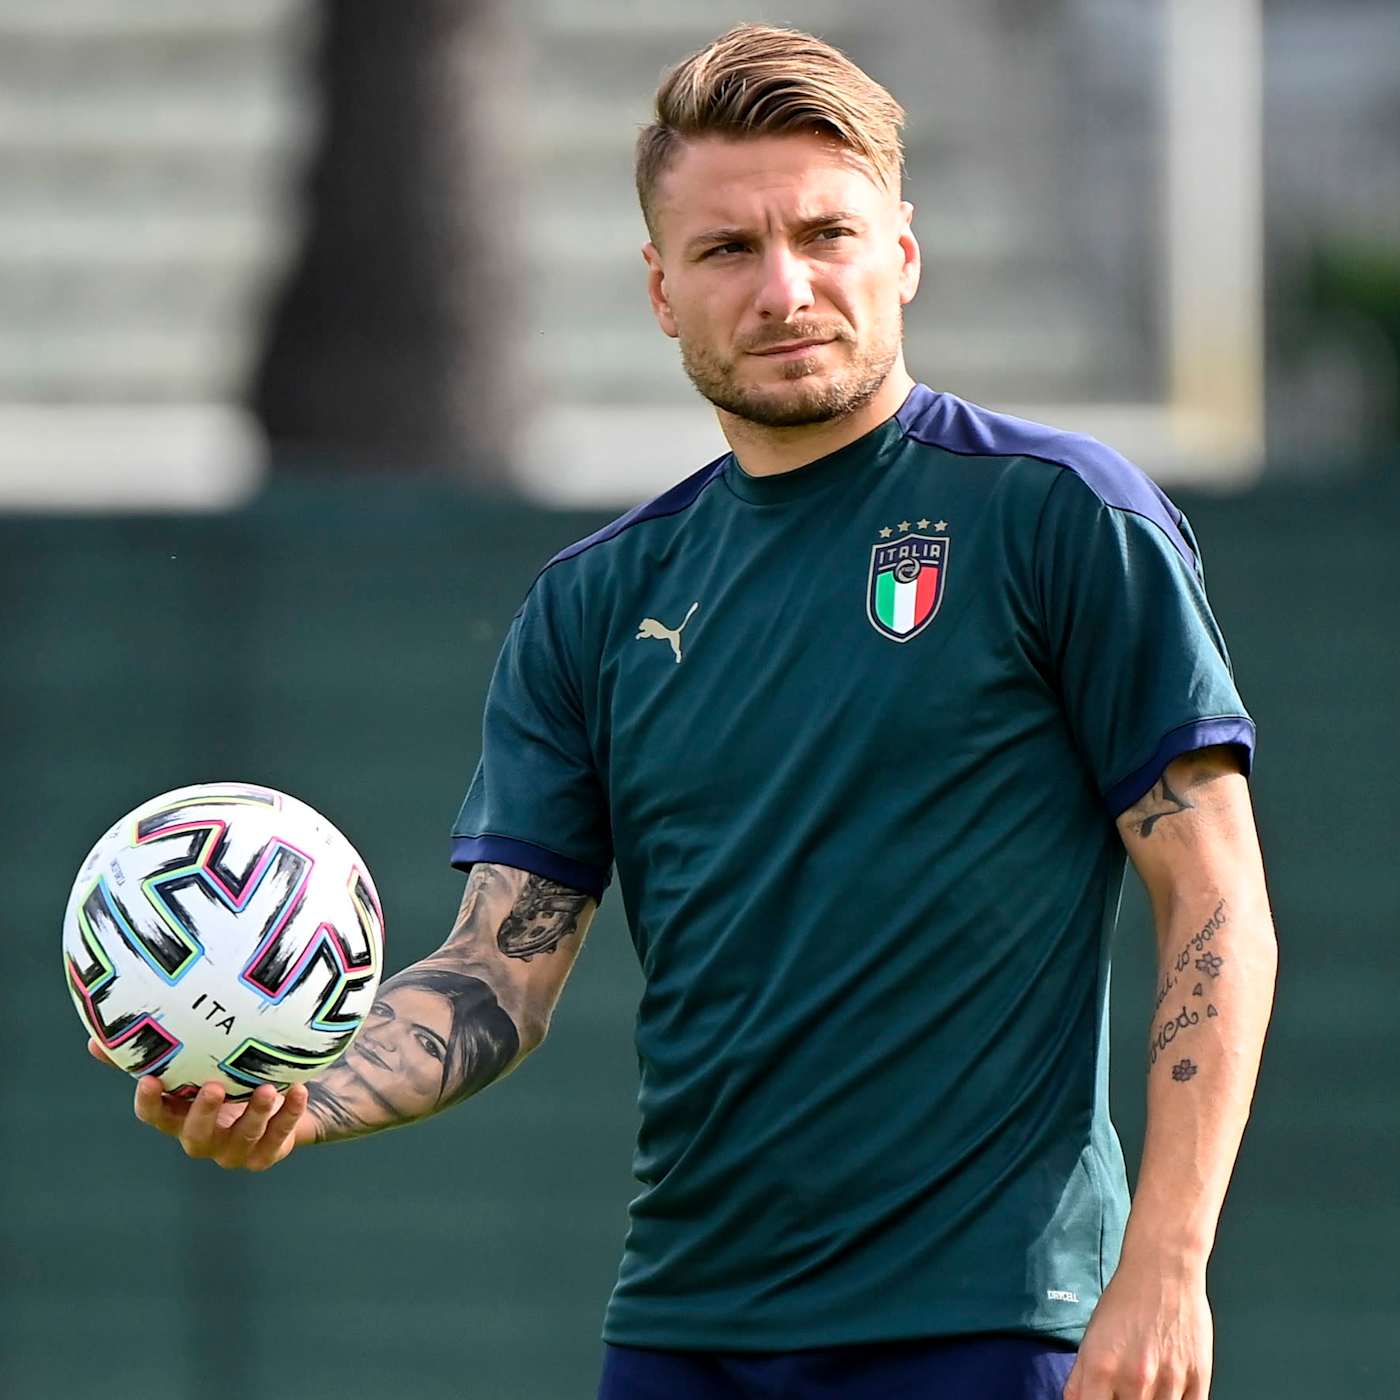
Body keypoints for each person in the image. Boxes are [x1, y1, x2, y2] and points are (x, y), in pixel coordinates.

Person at [102, 24, 1277, 1400]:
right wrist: (299, 1098)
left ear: (903, 251)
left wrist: (1168, 1264)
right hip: (684, 1333)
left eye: (825, 235)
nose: (786, 288)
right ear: (660, 290)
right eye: (728, 250)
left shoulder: (1062, 517)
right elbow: (495, 975)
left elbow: (1214, 897)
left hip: (992, 1324)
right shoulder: (595, 603)